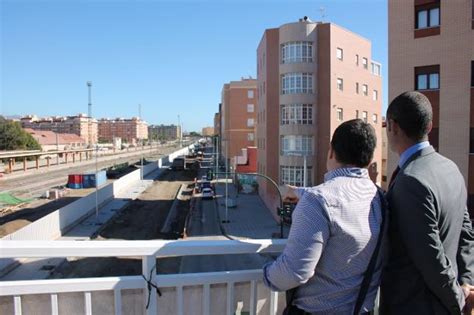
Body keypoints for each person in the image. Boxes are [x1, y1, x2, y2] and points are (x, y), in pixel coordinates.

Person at [263, 119, 385, 314]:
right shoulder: (380, 198)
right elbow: (341, 201)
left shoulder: (317, 201)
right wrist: (300, 192)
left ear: (331, 152)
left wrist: (267, 273)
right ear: (370, 159)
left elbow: (294, 272)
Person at [380, 91, 474, 314]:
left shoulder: (411, 180)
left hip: (414, 306)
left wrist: (459, 301)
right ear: (430, 126)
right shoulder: (451, 168)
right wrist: (467, 284)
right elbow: (467, 234)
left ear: (392, 126)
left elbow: (431, 258)